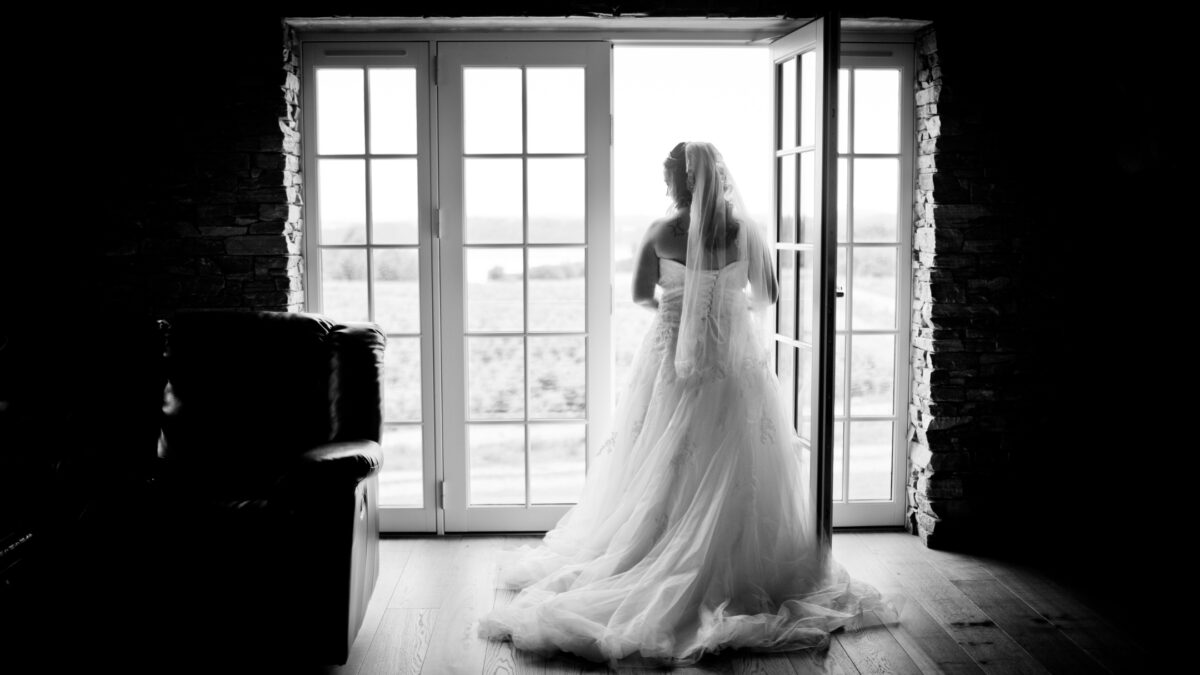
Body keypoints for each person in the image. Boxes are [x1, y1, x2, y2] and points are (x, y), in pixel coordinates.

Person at [477, 141, 889, 668]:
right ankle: (731, 563)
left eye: (669, 177)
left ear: (678, 181)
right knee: (735, 459)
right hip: (734, 366)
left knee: (661, 455)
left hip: (672, 360)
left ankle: (655, 552)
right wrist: (725, 309)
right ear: (718, 177)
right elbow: (769, 294)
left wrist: (681, 309)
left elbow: (639, 295)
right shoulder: (746, 232)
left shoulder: (659, 232)